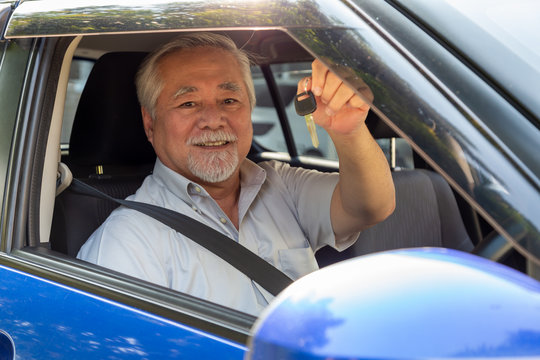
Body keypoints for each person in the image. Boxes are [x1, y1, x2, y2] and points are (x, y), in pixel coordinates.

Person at [77, 32, 395, 316]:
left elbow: (370, 207)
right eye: (188, 103)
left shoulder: (282, 185)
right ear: (150, 124)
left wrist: (349, 129)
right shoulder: (126, 244)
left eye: (230, 100)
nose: (214, 119)